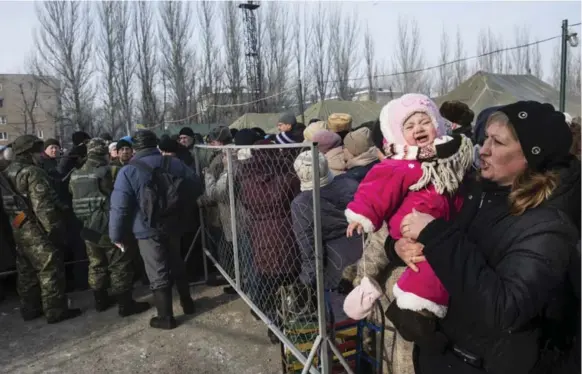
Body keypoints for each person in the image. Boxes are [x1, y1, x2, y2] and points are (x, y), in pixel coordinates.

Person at [394, 101, 579, 373]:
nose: (484, 149)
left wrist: (436, 235)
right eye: (485, 138)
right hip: (444, 353)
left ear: (531, 157)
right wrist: (396, 246)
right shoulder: (478, 190)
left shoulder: (550, 225)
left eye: (498, 142)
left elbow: (504, 309)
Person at [343, 94, 473, 349]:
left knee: (430, 270)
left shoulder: (456, 159)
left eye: (424, 122)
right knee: (421, 269)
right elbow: (375, 190)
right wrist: (362, 214)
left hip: (444, 235)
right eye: (410, 127)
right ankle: (410, 312)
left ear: (438, 123)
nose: (418, 129)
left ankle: (415, 312)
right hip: (410, 234)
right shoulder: (401, 165)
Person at [109, 130, 203, 330]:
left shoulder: (128, 171)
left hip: (146, 228)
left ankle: (166, 317)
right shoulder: (174, 163)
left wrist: (115, 235)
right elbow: (196, 186)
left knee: (157, 269)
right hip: (174, 223)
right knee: (177, 261)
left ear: (135, 147)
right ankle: (188, 304)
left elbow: (120, 207)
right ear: (156, 144)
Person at [1, 135, 82, 323]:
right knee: (50, 267)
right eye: (38, 150)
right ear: (30, 151)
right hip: (35, 227)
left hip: (17, 226)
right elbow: (43, 207)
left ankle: (29, 309)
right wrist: (54, 231)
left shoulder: (6, 171)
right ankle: (55, 311)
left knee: (26, 269)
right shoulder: (32, 172)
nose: (40, 154)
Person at [69, 138, 150, 316]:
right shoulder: (111, 171)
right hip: (108, 226)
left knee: (96, 264)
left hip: (87, 227)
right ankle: (125, 304)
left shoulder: (75, 174)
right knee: (119, 264)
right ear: (104, 153)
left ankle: (100, 301)